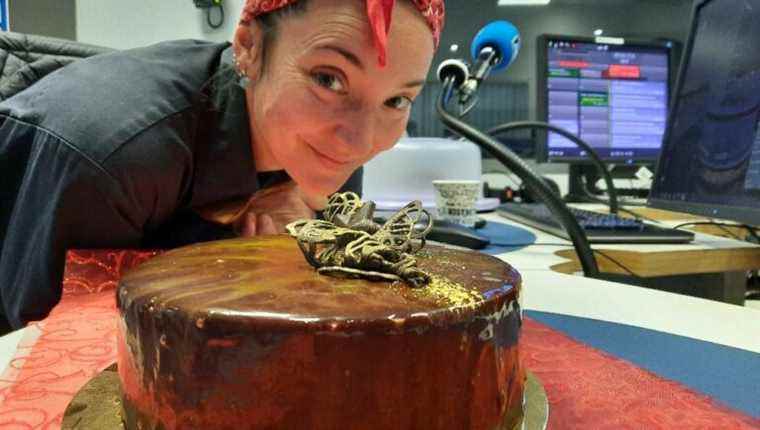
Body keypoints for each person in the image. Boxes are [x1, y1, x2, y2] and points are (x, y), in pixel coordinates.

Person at [0, 0, 444, 330]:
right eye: (328, 79)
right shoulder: (114, 160)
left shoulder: (328, 150)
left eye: (396, 100)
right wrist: (217, 247)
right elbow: (58, 359)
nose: (360, 141)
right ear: (248, 46)